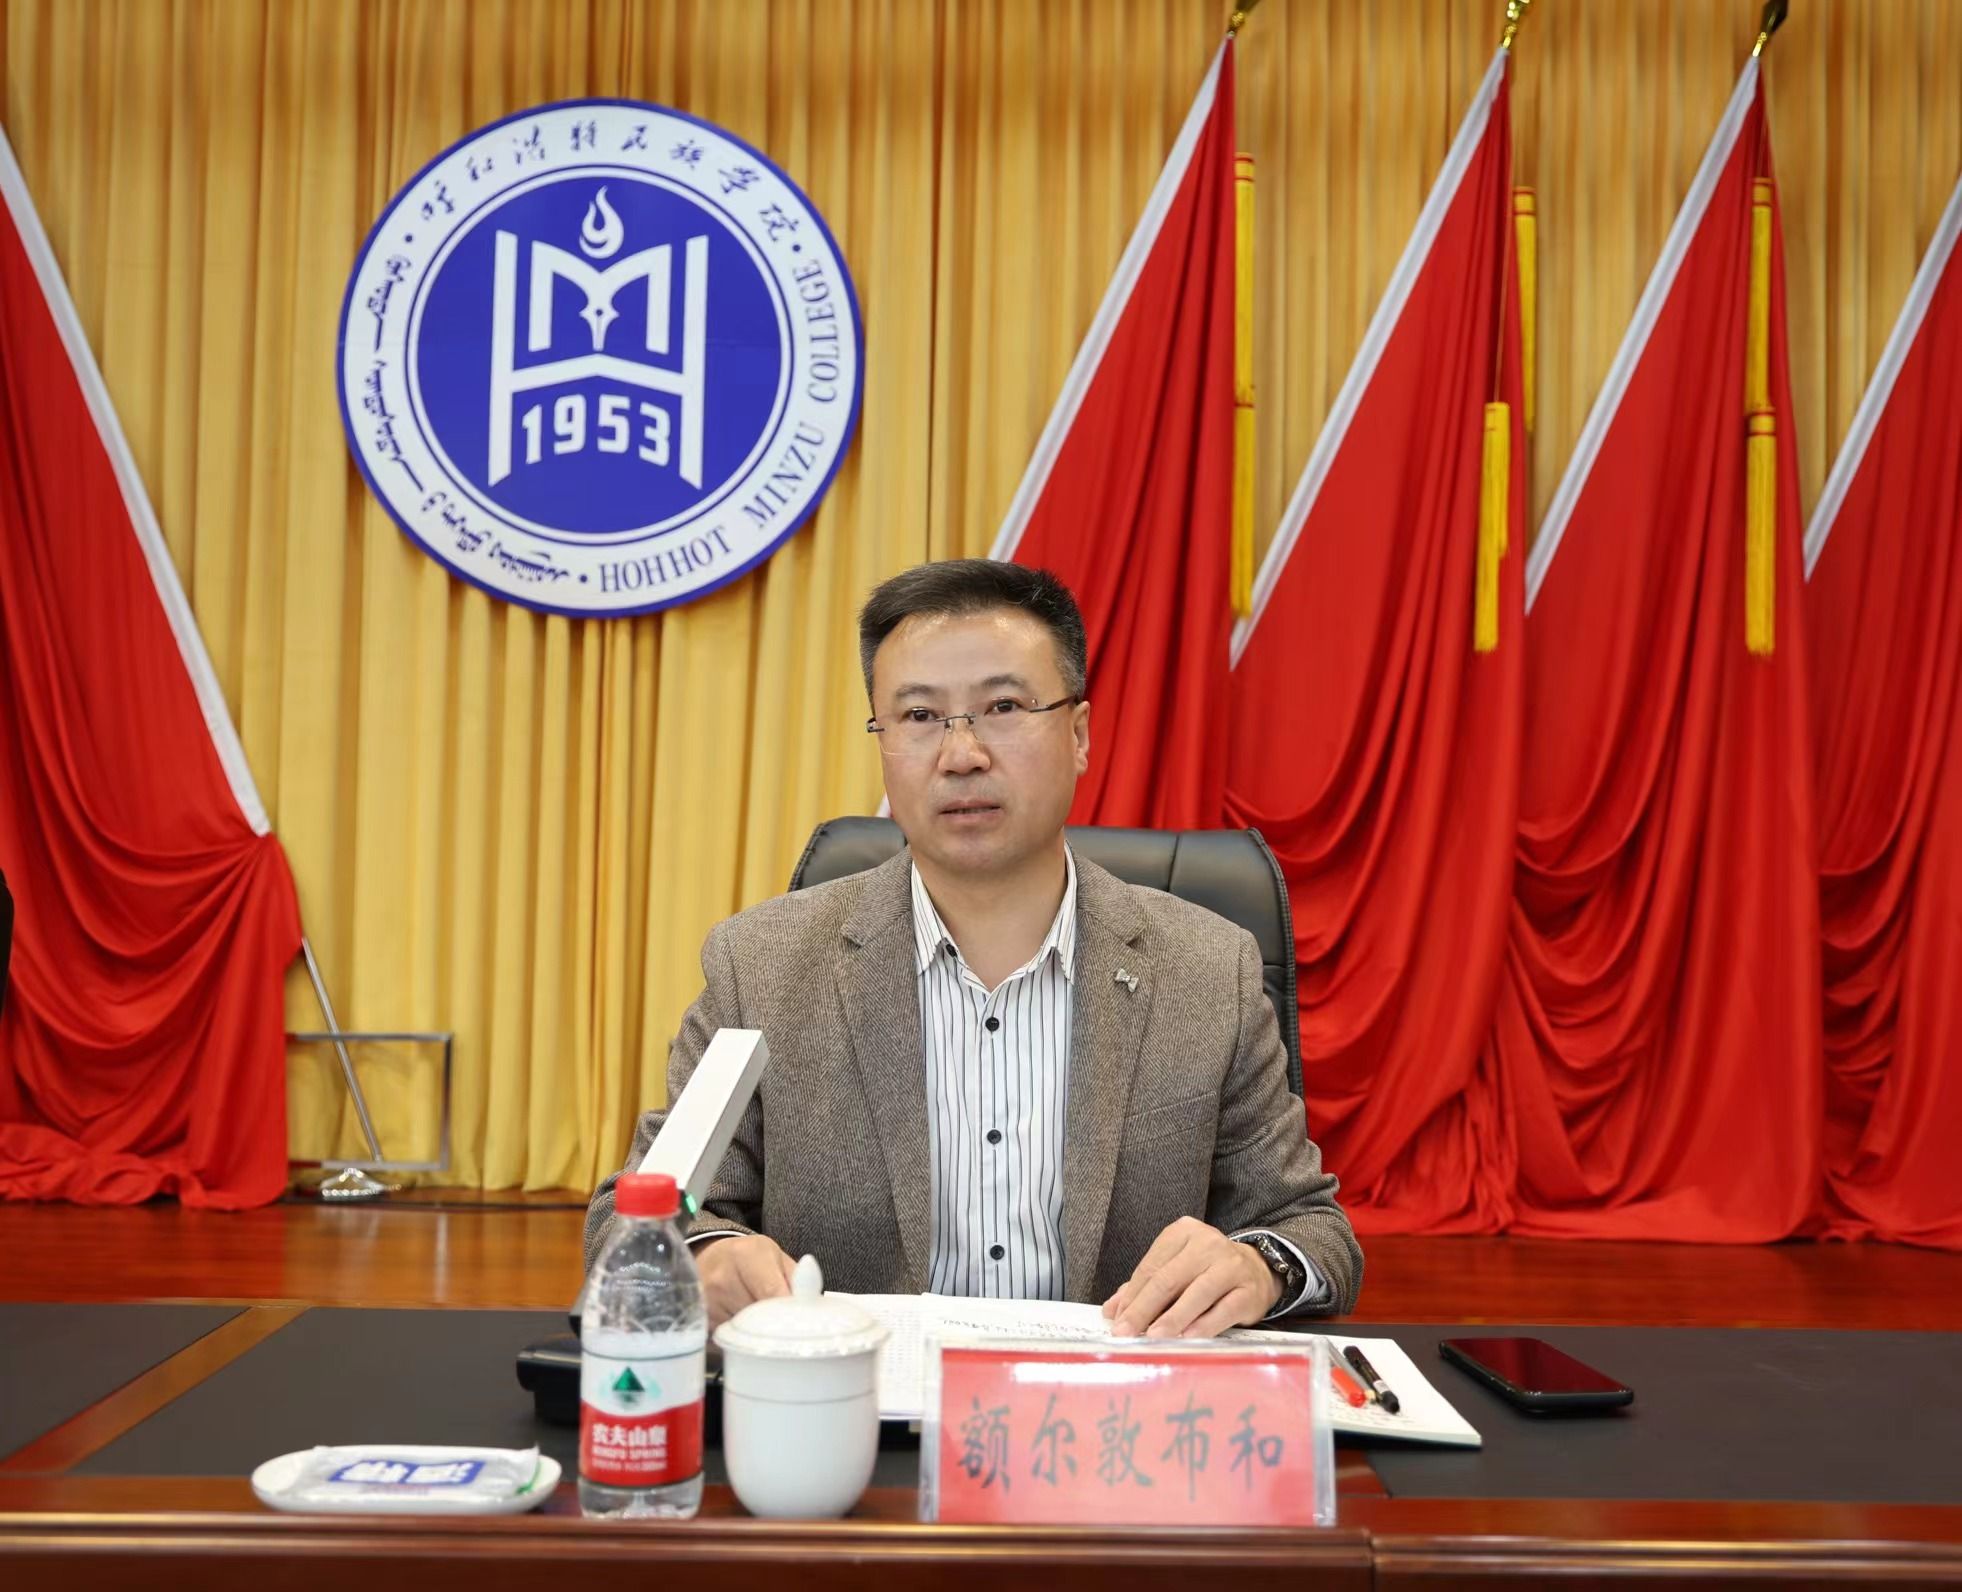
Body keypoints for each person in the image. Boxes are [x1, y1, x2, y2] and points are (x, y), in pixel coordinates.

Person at [586, 559, 1361, 1336]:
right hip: (857, 1401)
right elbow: (634, 1215)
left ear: (1079, 734)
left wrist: (1261, 1266)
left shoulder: (1207, 970)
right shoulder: (760, 965)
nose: (961, 755)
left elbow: (1310, 1228)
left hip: (1109, 1398)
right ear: (882, 740)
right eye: (920, 716)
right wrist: (707, 1254)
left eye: (1003, 707)